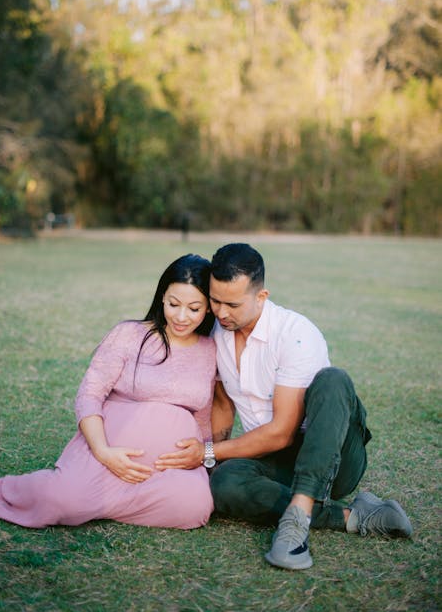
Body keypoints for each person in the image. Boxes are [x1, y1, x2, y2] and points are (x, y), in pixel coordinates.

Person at [155, 243, 412, 568]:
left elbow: (281, 433)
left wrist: (207, 452)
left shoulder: (296, 334)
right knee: (223, 484)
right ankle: (352, 516)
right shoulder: (219, 331)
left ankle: (296, 525)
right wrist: (212, 463)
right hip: (274, 461)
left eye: (232, 304)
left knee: (333, 380)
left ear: (261, 297)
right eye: (215, 300)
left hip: (334, 458)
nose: (220, 312)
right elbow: (223, 404)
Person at [0, 254, 217, 530]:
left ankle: (98, 503)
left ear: (208, 310)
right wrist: (104, 451)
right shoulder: (129, 335)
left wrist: (206, 456)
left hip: (169, 469)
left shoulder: (209, 351)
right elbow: (89, 395)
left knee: (195, 508)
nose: (181, 316)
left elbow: (202, 415)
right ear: (162, 298)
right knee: (60, 500)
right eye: (173, 304)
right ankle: (76, 497)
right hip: (107, 454)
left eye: (193, 308)